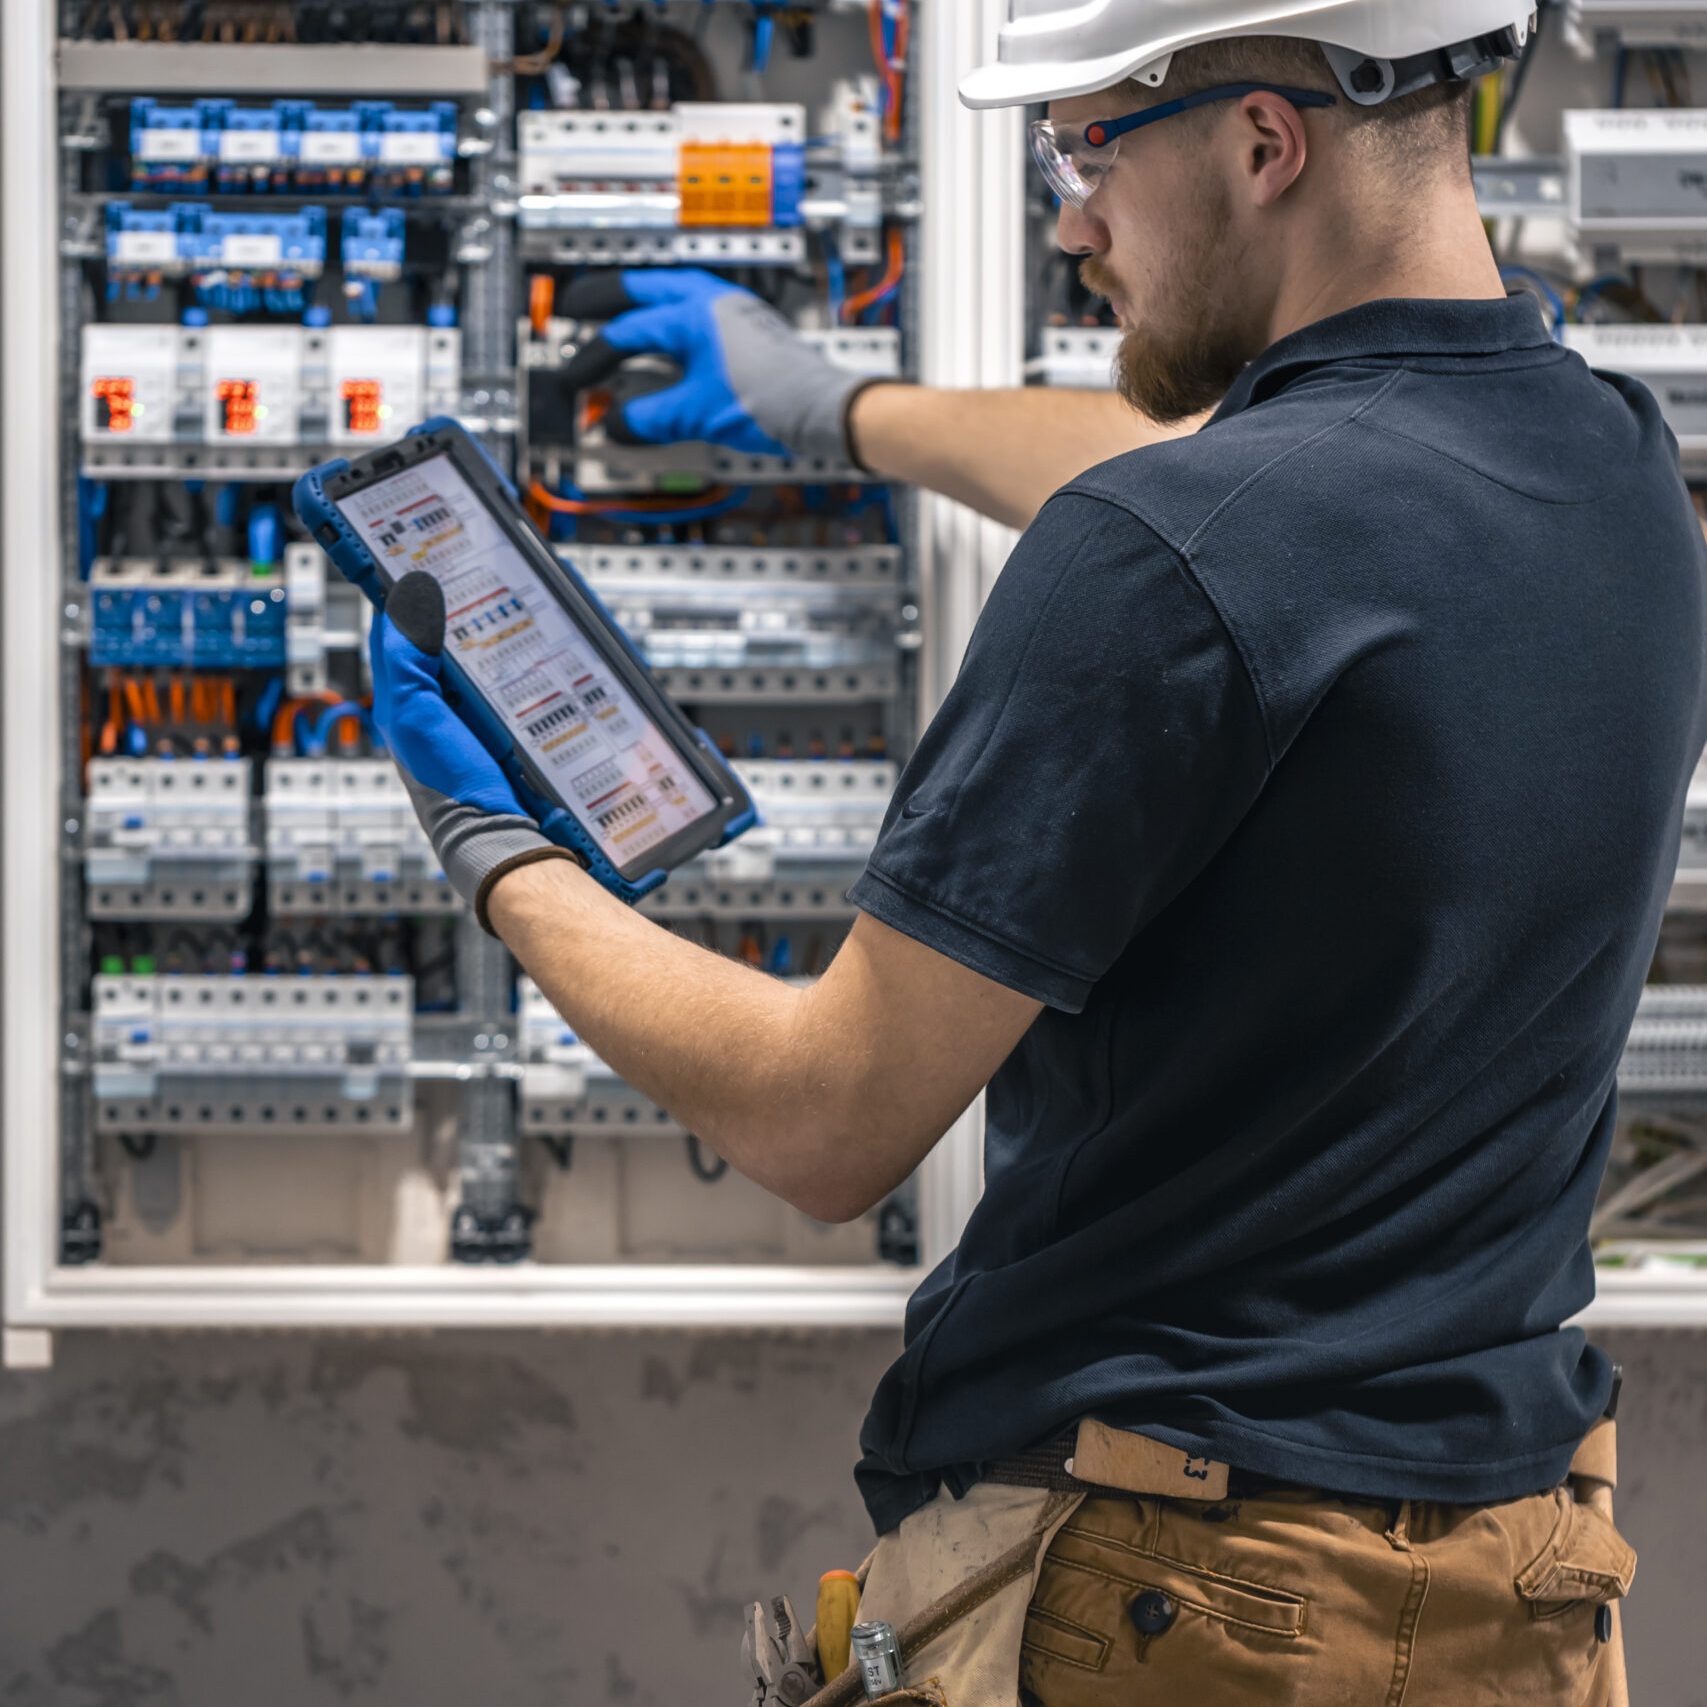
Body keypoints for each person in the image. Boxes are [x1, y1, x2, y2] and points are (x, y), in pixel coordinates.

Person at [370, 1, 1705, 1699]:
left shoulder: (1160, 559)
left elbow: (823, 1117)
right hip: (1522, 1589)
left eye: (1091, 151)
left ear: (1261, 142)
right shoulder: (1616, 475)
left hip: (1185, 1601)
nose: (1073, 221)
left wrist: (496, 850)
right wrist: (836, 403)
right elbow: (1244, 494)